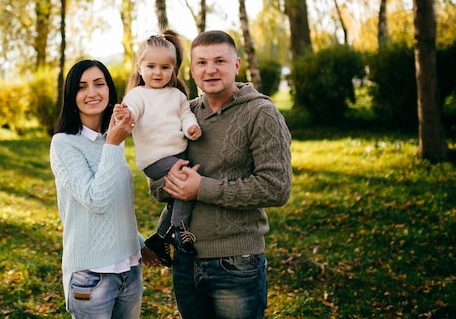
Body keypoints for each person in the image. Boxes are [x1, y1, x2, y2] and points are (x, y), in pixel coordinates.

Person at [150, 30, 292, 319]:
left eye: (219, 61)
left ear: (237, 65)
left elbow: (276, 188)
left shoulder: (261, 113)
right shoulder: (184, 115)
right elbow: (156, 185)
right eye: (201, 62)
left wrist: (201, 188)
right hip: (186, 261)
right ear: (191, 69)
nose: (210, 69)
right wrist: (169, 182)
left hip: (236, 262)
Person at [49, 59, 160, 319]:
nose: (92, 92)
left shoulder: (111, 138)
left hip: (130, 270)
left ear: (109, 89)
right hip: (92, 277)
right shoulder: (64, 144)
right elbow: (96, 201)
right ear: (71, 95)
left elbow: (114, 205)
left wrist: (139, 243)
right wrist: (112, 143)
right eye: (82, 87)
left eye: (99, 84)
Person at [115, 30, 202, 267]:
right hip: (155, 159)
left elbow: (186, 115)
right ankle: (179, 230)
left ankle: (160, 237)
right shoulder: (138, 95)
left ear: (173, 69)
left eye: (165, 67)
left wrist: (191, 127)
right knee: (187, 182)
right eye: (151, 66)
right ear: (139, 67)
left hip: (177, 154)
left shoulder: (177, 95)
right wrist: (126, 114)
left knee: (178, 197)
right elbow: (131, 110)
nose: (157, 72)